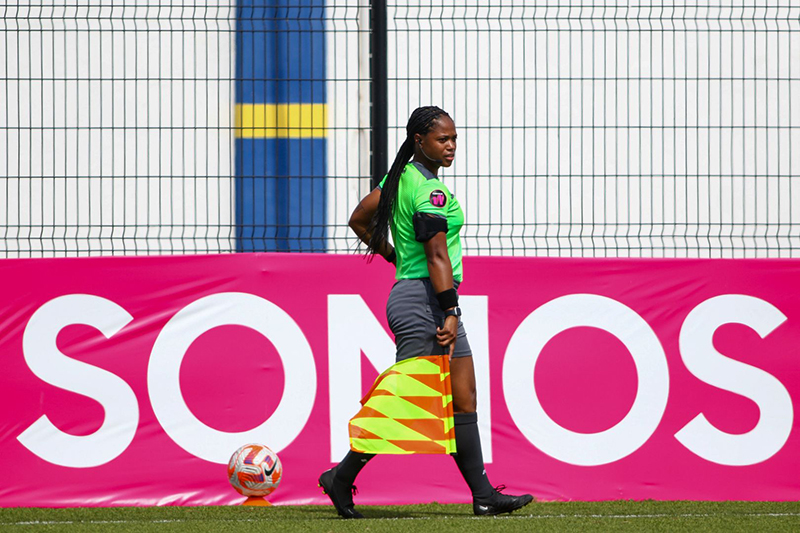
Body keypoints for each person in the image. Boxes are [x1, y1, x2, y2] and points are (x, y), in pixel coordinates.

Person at [318, 106, 534, 518]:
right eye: (443, 139)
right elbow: (436, 255)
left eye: (454, 139)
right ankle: (340, 477)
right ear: (420, 141)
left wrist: (394, 256)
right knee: (408, 398)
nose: (451, 146)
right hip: (427, 301)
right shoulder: (429, 191)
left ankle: (484, 496)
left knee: (463, 398)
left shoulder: (400, 178)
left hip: (427, 297)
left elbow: (359, 218)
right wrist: (449, 309)